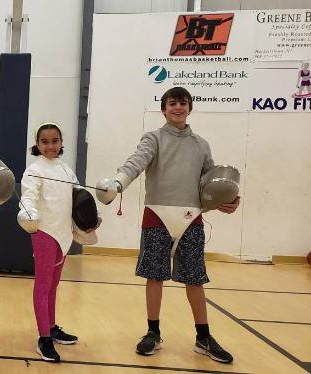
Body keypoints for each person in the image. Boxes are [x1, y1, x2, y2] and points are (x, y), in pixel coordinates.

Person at [97, 86, 240, 364]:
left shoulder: (201, 145)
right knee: (155, 276)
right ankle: (153, 332)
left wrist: (228, 201)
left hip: (191, 220)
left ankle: (203, 337)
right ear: (164, 108)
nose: (178, 107)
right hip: (157, 217)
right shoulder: (153, 138)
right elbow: (135, 163)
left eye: (183, 103)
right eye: (172, 103)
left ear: (189, 108)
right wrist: (117, 183)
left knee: (195, 280)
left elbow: (209, 183)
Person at [18, 122, 99, 362]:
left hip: (64, 235)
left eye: (54, 141)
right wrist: (28, 213)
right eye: (45, 142)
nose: (50, 146)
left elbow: (80, 196)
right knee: (43, 286)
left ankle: (51, 327)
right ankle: (43, 338)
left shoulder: (65, 170)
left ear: (61, 142)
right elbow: (29, 198)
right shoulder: (34, 170)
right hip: (44, 234)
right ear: (37, 144)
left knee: (53, 286)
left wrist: (92, 219)